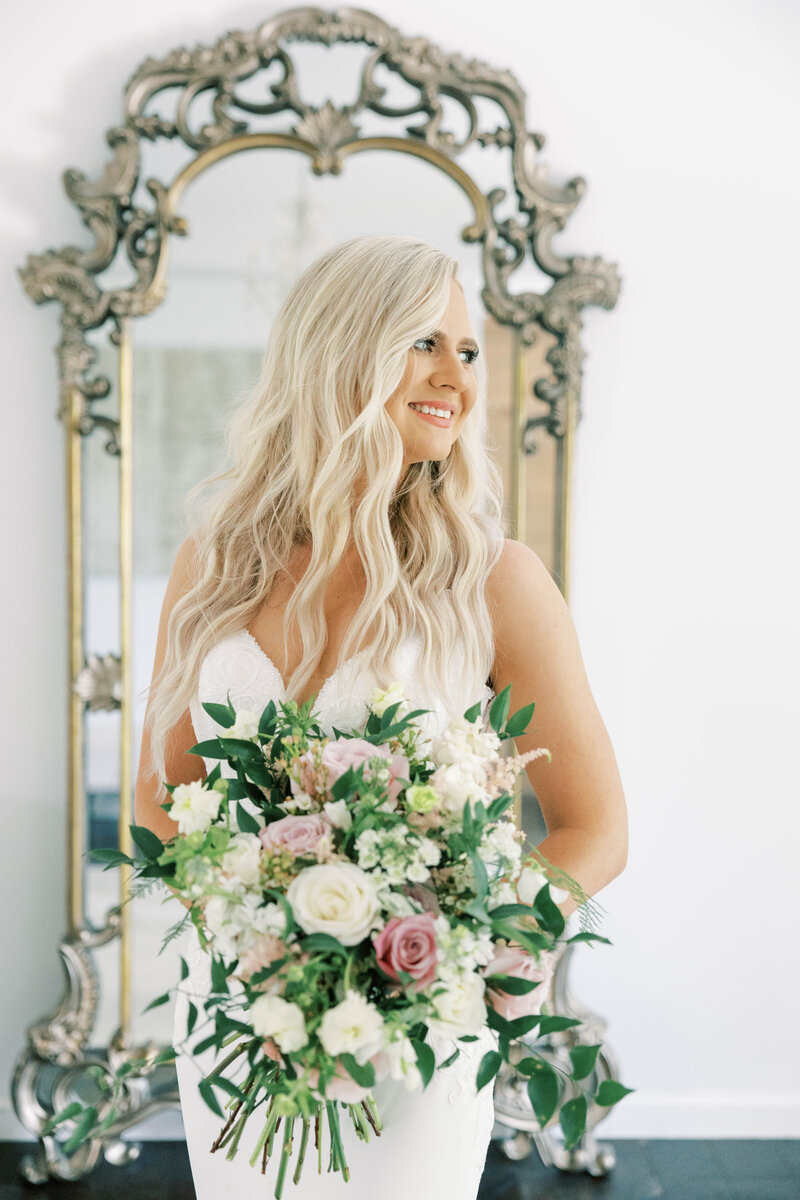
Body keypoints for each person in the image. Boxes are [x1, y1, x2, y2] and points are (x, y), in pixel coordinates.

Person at [134, 233, 628, 1198]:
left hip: (418, 1030)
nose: (457, 377)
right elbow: (163, 801)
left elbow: (595, 825)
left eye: (469, 350)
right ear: (343, 352)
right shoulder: (212, 565)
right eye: (426, 343)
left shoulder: (495, 580)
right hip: (243, 1021)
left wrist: (482, 948)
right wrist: (259, 947)